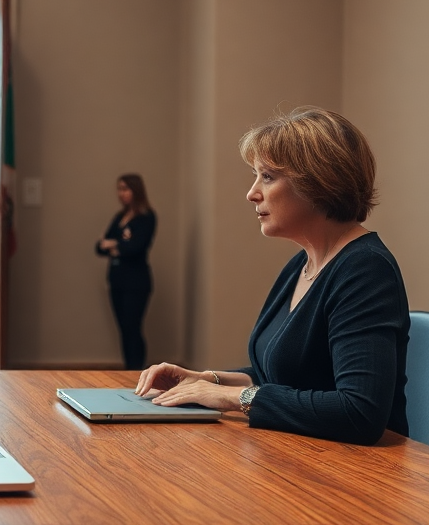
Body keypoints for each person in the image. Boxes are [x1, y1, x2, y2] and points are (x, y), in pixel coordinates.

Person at [136, 106, 409, 445]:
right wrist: (205, 380)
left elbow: (359, 412)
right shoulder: (302, 264)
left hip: (358, 468)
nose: (252, 193)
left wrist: (230, 398)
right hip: (302, 450)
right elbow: (278, 377)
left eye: (267, 177)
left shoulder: (365, 269)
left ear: (318, 181)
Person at [95, 174, 156, 370]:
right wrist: (118, 245)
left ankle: (137, 372)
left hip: (136, 282)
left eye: (125, 189)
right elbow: (99, 246)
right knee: (123, 329)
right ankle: (128, 370)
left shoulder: (146, 217)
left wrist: (114, 245)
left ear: (136, 191)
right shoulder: (119, 217)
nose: (121, 193)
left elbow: (136, 247)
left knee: (133, 328)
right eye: (119, 189)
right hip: (117, 281)